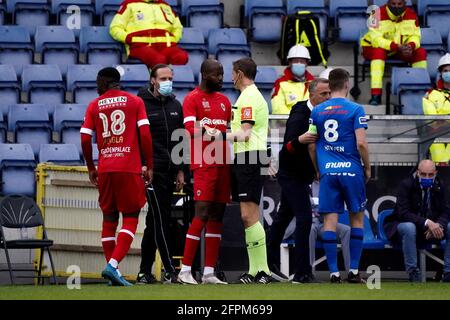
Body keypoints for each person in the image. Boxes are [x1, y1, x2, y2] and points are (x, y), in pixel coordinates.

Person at [80, 67, 154, 286]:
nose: (96, 86)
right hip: (128, 167)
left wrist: (91, 167)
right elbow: (145, 135)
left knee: (109, 219)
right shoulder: (135, 102)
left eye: (97, 82)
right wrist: (148, 165)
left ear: (104, 82)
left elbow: (85, 138)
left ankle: (114, 272)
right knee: (130, 218)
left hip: (105, 168)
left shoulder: (94, 105)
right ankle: (112, 266)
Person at [308, 68, 371, 284]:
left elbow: (312, 146)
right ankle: (353, 271)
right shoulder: (356, 109)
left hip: (328, 171)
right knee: (356, 218)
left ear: (330, 85)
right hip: (351, 170)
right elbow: (361, 142)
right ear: (346, 84)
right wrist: (368, 167)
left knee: (329, 222)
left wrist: (318, 168)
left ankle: (334, 274)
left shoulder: (316, 111)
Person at [266, 78, 331, 283]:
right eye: (324, 94)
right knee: (304, 219)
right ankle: (302, 272)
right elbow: (288, 147)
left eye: (329, 93)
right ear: (311, 94)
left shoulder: (323, 113)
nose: (328, 97)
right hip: (290, 174)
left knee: (282, 218)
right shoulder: (300, 112)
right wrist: (299, 140)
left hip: (303, 175)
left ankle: (268, 263)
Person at [177, 59, 232, 285]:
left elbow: (228, 130)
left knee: (217, 215)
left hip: (223, 162)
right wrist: (207, 129)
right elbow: (189, 128)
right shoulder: (192, 99)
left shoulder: (225, 101)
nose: (220, 78)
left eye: (222, 74)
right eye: (216, 74)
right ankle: (185, 270)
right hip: (203, 162)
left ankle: (209, 272)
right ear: (204, 74)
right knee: (201, 212)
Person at [135, 64, 185, 284]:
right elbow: (137, 138)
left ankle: (144, 272)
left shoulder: (176, 104)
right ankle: (170, 270)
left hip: (170, 170)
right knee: (161, 219)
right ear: (153, 80)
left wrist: (181, 170)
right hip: (151, 173)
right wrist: (145, 166)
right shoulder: (140, 105)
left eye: (170, 78)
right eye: (163, 78)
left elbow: (179, 139)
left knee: (154, 221)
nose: (167, 82)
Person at [225, 57, 271, 284]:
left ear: (240, 73)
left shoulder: (249, 97)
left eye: (232, 73)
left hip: (251, 158)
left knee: (249, 215)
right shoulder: (248, 96)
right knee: (248, 216)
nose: (230, 77)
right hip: (248, 157)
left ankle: (261, 271)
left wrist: (217, 135)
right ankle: (257, 270)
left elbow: (245, 134)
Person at [383, 160, 450, 282]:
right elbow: (403, 213)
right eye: (423, 174)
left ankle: (448, 273)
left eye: (430, 175)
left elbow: (446, 211)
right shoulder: (406, 185)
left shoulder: (441, 185)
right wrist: (427, 223)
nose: (427, 177)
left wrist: (437, 225)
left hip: (431, 230)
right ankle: (413, 273)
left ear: (435, 173)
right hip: (403, 227)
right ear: (418, 173)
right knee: (409, 227)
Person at [360, 0, 427, 105]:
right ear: (388, 3)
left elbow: (416, 36)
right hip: (372, 47)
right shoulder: (375, 13)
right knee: (379, 52)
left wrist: (410, 46)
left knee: (420, 52)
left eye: (399, 4)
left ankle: (421, 91)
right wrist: (396, 47)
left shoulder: (412, 14)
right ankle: (376, 95)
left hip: (398, 48)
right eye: (393, 4)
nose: (396, 6)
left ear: (405, 4)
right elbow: (375, 39)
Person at [109, 0, 188, 69]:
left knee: (181, 57)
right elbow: (115, 27)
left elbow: (178, 27)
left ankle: (171, 83)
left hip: (166, 47)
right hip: (140, 47)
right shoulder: (129, 4)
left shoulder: (165, 6)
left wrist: (174, 39)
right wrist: (128, 39)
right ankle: (156, 85)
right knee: (159, 60)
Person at [309, 181, 350, 275]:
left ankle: (351, 272)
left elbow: (335, 204)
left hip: (325, 223)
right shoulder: (306, 183)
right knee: (309, 230)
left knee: (347, 230)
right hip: (309, 222)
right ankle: (309, 272)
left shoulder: (329, 184)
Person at [422, 53, 450, 164]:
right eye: (445, 71)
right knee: (441, 165)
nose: (448, 73)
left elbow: (439, 118)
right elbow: (432, 120)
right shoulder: (430, 95)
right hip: (436, 135)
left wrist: (442, 117)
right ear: (441, 73)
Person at [271, 45, 314, 115]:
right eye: (296, 61)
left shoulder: (314, 83)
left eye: (302, 61)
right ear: (290, 63)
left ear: (307, 63)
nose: (299, 63)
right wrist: (295, 120)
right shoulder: (280, 83)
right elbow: (277, 108)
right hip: (286, 124)